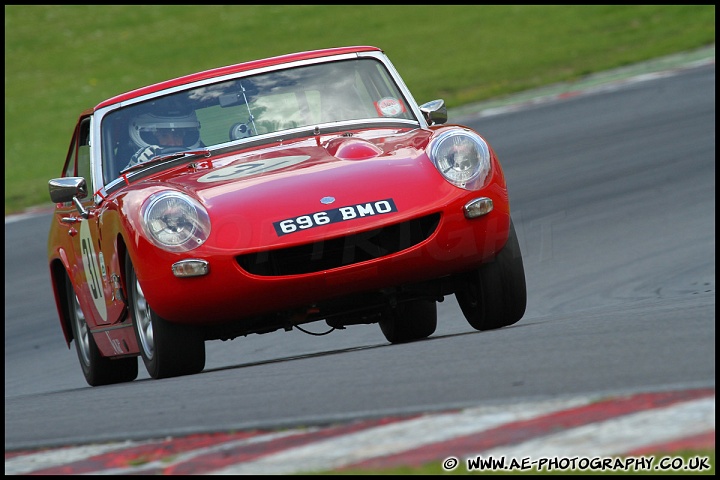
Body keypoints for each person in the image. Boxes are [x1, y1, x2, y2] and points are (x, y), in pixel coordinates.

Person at [125, 108, 202, 170]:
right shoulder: (119, 165)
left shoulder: (202, 158)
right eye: (163, 135)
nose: (172, 143)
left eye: (177, 135)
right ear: (150, 137)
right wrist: (135, 167)